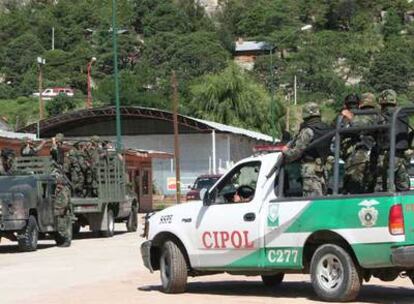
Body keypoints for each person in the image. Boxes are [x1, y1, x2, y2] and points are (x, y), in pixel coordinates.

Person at [282, 102, 332, 197]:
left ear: (305, 115)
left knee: (311, 204)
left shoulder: (307, 131)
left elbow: (296, 153)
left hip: (310, 172)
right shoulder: (327, 129)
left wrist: (285, 151)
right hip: (324, 171)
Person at [341, 93, 378, 194]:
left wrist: (349, 117)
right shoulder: (378, 114)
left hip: (361, 155)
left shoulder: (363, 116)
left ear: (360, 104)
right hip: (370, 155)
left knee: (354, 186)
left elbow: (356, 127)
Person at [375, 89, 410, 192]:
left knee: (383, 186)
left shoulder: (380, 115)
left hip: (385, 155)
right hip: (400, 155)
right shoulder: (402, 114)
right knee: (403, 186)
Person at [53, 174, 72, 247]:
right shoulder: (61, 189)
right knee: (62, 226)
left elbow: (65, 201)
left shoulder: (64, 190)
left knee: (63, 227)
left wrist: (62, 209)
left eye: (58, 181)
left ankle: (66, 241)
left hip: (63, 211)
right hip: (61, 211)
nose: (57, 182)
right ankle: (63, 240)